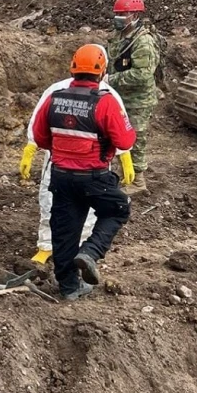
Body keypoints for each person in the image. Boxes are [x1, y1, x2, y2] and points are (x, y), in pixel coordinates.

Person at [31, 44, 136, 300]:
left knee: (64, 231)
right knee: (117, 209)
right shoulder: (106, 101)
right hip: (94, 177)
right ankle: (90, 252)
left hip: (61, 177)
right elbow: (124, 140)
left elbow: (40, 137)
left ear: (73, 69)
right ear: (102, 71)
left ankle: (69, 287)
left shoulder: (54, 98)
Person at [107, 0, 159, 195]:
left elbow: (143, 74)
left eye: (124, 14)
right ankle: (124, 174)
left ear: (135, 15)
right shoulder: (119, 36)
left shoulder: (143, 42)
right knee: (117, 135)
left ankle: (138, 181)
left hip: (138, 101)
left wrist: (111, 80)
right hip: (120, 97)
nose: (119, 18)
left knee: (135, 139)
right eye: (117, 14)